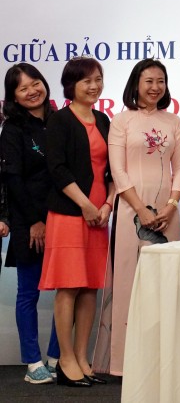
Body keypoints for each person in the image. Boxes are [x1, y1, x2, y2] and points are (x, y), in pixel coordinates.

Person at [93, 59, 180, 376]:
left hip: (167, 212)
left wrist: (172, 205)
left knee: (164, 283)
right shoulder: (122, 120)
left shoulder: (173, 121)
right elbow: (117, 171)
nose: (155, 87)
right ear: (136, 84)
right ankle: (122, 363)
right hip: (131, 208)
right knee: (129, 283)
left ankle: (165, 361)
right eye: (149, 81)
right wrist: (141, 208)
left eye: (161, 80)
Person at [39, 56, 114, 387]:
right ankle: (65, 359)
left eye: (98, 79)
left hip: (100, 215)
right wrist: (85, 204)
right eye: (87, 80)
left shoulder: (103, 118)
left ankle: (83, 356)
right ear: (71, 85)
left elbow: (112, 169)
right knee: (68, 286)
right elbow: (56, 169)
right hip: (71, 213)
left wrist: (108, 204)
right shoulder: (59, 121)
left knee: (90, 287)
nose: (94, 85)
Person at [0, 65, 60, 384]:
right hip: (29, 222)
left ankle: (56, 357)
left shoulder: (61, 121)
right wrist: (36, 221)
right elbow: (13, 180)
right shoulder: (12, 129)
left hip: (63, 219)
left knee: (68, 292)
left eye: (35, 83)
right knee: (28, 294)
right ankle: (32, 362)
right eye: (22, 88)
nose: (32, 91)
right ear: (13, 96)